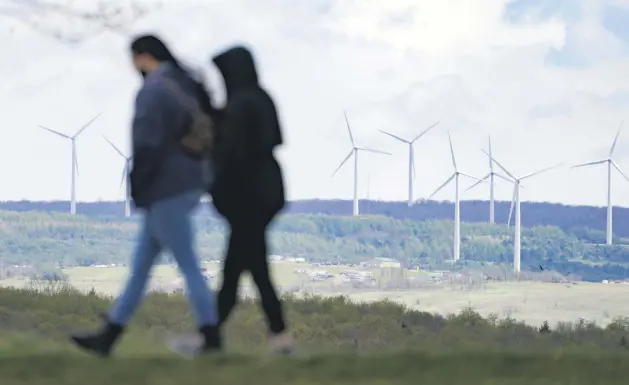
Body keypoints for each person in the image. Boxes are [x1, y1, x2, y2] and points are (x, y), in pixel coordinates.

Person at [70, 34, 221, 357]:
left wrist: (138, 185)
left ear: (141, 57)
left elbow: (146, 143)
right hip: (192, 181)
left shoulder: (153, 90)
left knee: (189, 264)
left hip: (166, 188)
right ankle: (108, 337)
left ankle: (211, 338)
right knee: (140, 266)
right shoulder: (184, 83)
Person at [210, 45, 293, 354]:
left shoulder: (242, 104)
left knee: (238, 268)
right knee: (251, 267)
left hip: (247, 197)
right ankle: (277, 333)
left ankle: (211, 334)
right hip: (265, 193)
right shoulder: (261, 99)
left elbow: (232, 152)